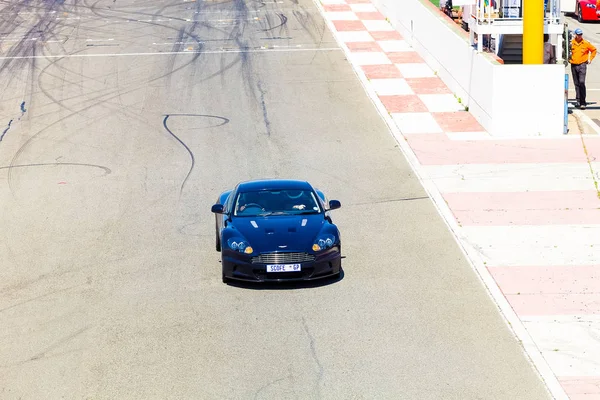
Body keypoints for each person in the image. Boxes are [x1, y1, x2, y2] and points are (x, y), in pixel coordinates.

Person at [570, 28, 597, 109]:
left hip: (582, 65)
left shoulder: (585, 43)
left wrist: (590, 59)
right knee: (576, 83)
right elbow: (567, 51)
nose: (579, 36)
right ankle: (578, 100)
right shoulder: (572, 43)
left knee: (581, 82)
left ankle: (583, 102)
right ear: (575, 35)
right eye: (578, 34)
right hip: (574, 65)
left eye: (581, 34)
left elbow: (594, 50)